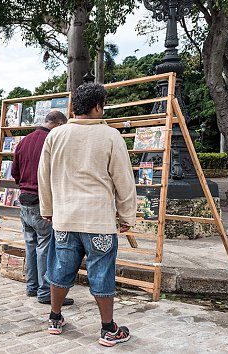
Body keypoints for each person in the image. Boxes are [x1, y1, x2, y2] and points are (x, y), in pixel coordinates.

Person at [39, 83, 136, 346]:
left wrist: (47, 210)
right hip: (99, 221)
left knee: (60, 269)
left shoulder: (55, 136)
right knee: (101, 271)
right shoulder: (111, 136)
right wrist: (127, 215)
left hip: (65, 220)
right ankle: (107, 329)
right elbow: (123, 180)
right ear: (97, 106)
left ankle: (55, 318)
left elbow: (44, 178)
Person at [11, 111, 72, 306]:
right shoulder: (53, 141)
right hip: (42, 201)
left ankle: (32, 286)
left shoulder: (24, 141)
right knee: (45, 246)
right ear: (58, 123)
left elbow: (15, 173)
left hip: (24, 200)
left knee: (31, 245)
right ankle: (45, 291)